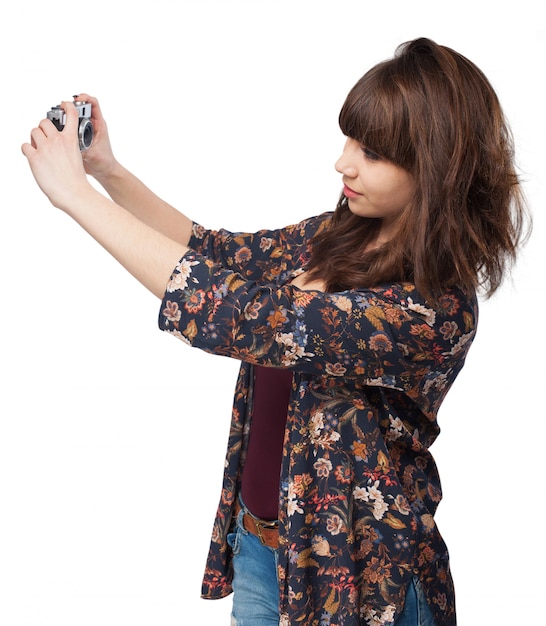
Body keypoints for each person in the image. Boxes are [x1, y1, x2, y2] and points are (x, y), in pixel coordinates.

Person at [22, 37, 527, 626]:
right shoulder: (343, 235)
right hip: (264, 552)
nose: (344, 163)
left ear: (436, 169)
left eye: (372, 152)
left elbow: (245, 318)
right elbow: (215, 256)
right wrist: (106, 171)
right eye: (349, 141)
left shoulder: (431, 310)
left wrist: (75, 198)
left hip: (363, 586)